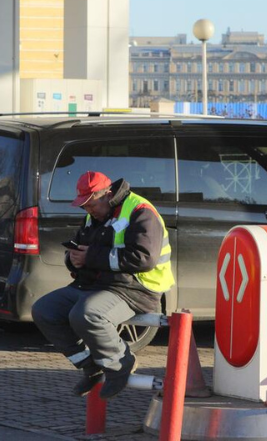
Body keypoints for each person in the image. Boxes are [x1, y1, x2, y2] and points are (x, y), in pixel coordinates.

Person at [31, 171, 174, 400]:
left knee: (86, 314)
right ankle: (91, 366)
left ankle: (120, 364)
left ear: (107, 195)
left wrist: (90, 257)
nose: (88, 211)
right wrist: (72, 258)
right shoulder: (95, 214)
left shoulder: (141, 211)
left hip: (136, 289)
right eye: (84, 207)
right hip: (97, 284)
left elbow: (144, 259)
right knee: (44, 310)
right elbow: (81, 248)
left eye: (91, 205)